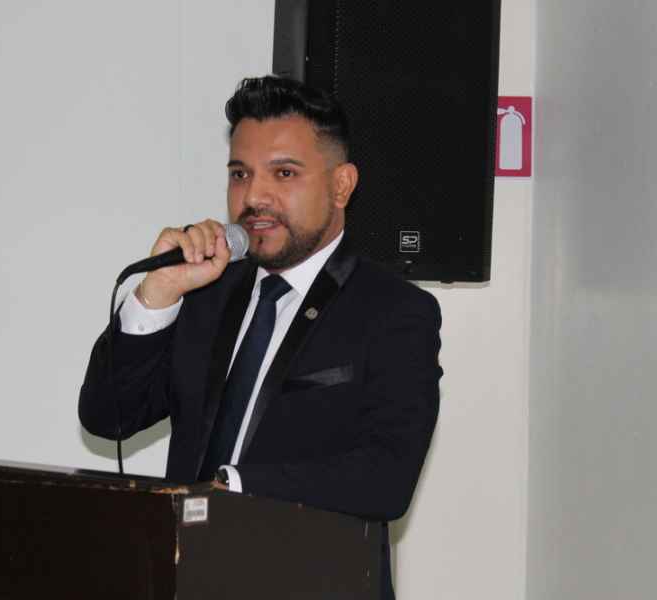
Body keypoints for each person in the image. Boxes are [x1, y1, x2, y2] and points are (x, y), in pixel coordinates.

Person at [79, 75, 442, 599]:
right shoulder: (207, 294)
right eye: (239, 174)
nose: (254, 197)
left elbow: (387, 478)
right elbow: (107, 416)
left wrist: (235, 486)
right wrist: (158, 291)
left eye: (284, 173)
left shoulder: (392, 311)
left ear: (341, 186)